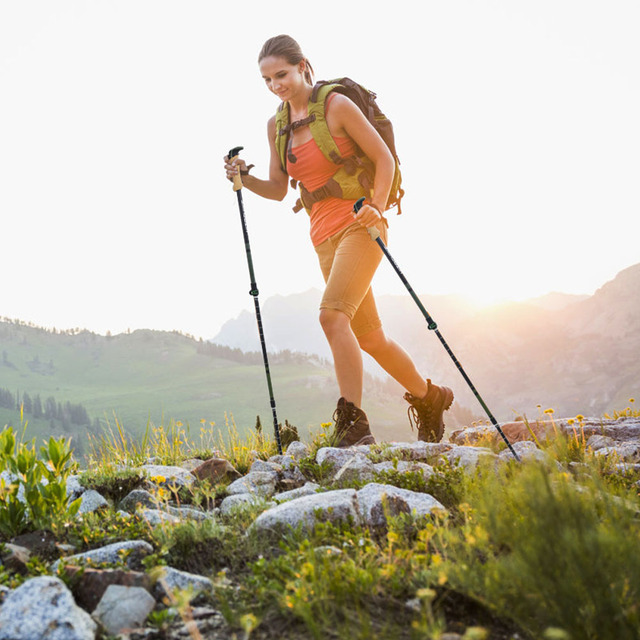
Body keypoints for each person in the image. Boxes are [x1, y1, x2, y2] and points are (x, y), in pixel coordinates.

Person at [224, 34, 453, 447]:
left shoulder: (336, 106)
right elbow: (278, 189)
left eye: (282, 74)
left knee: (331, 318)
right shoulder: (276, 125)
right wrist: (244, 177)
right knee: (370, 338)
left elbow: (383, 158)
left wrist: (378, 207)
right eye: (267, 80)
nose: (276, 85)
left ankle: (353, 425)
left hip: (362, 224)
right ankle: (430, 398)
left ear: (302, 67)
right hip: (322, 235)